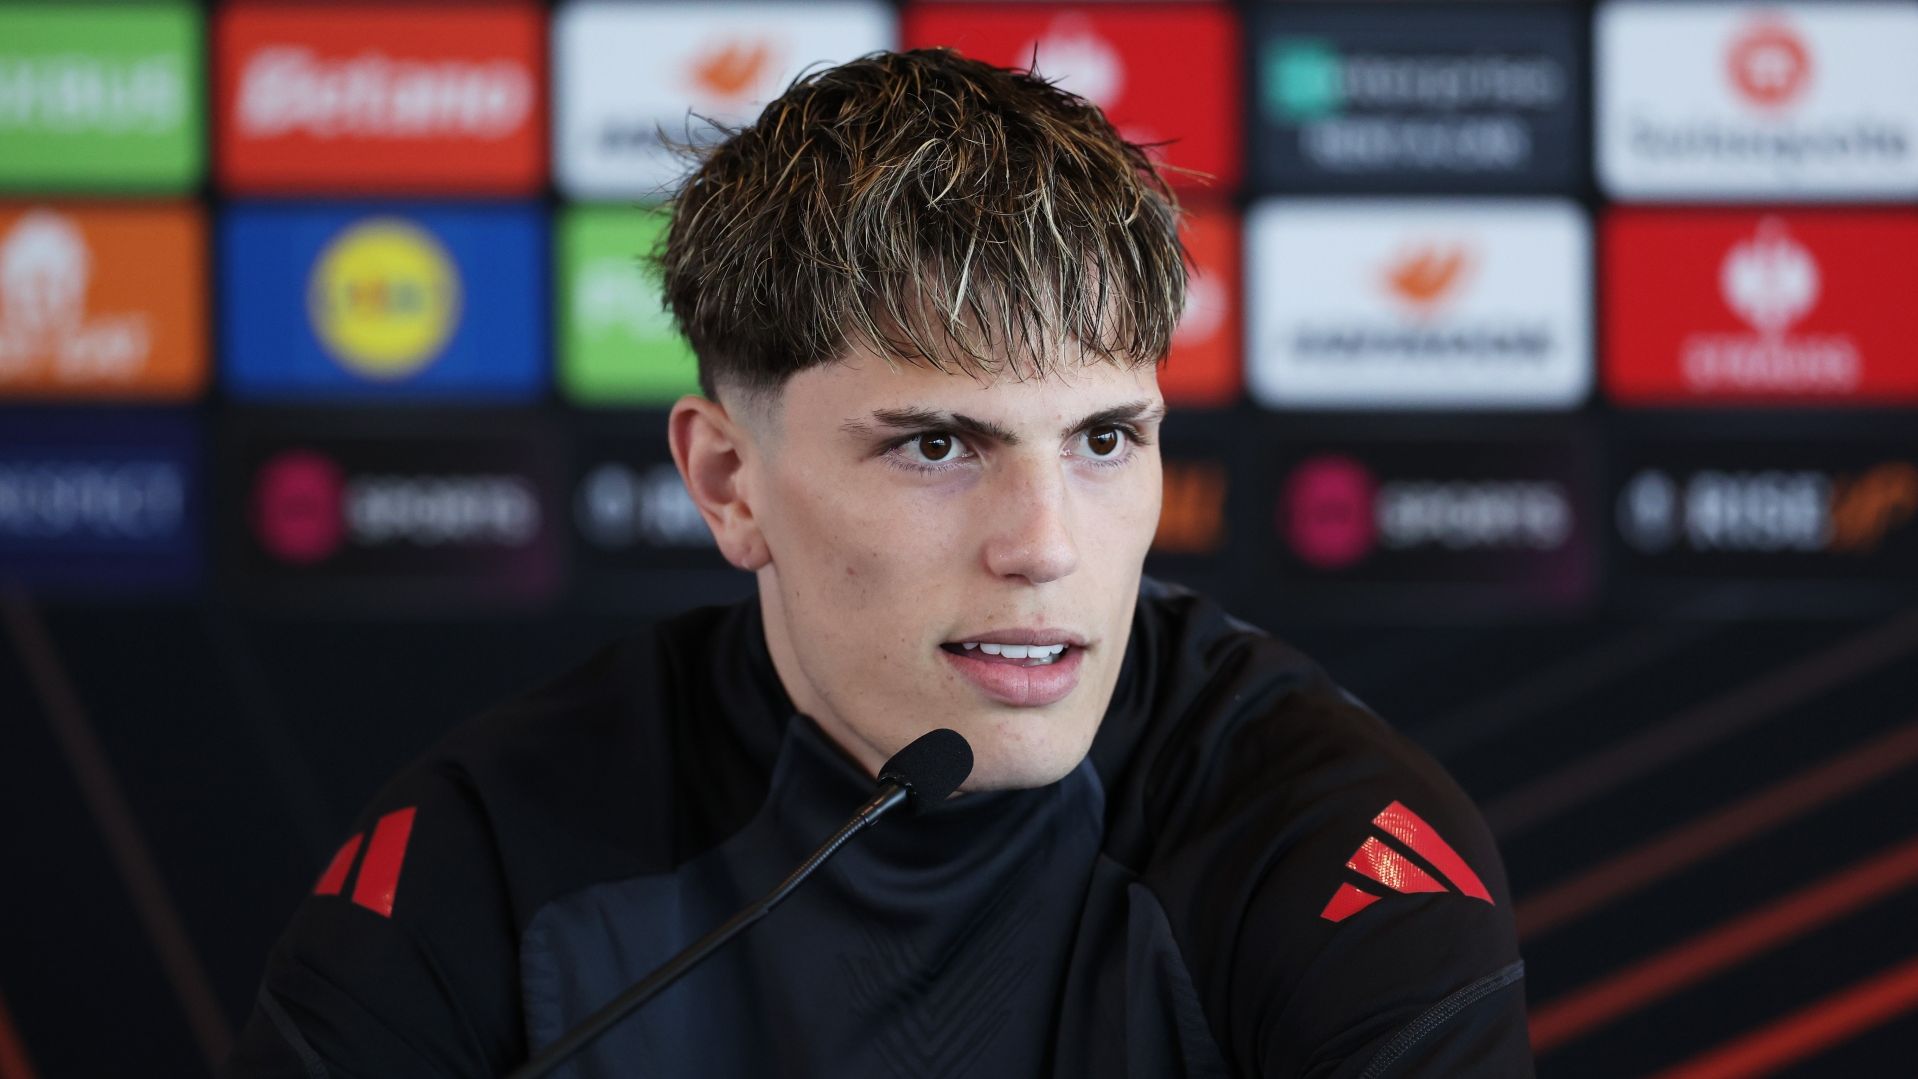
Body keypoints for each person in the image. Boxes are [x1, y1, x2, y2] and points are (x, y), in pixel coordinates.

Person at [226, 48, 1533, 1077]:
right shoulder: (496, 850)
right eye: (937, 447)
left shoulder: (1321, 838)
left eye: (1102, 439)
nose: (1045, 546)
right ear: (727, 482)